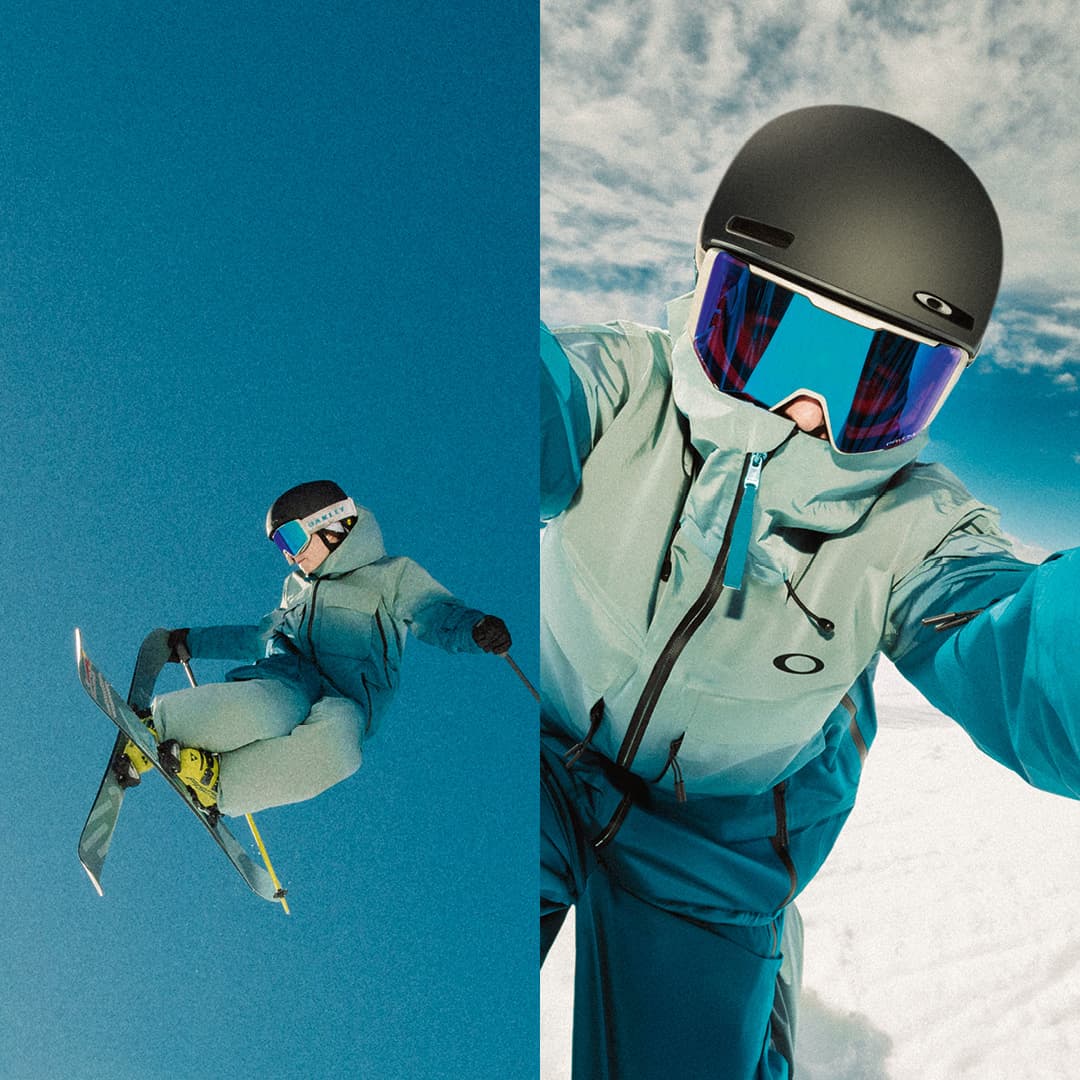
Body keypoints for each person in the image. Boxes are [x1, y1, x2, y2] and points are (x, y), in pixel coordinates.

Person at [539, 105, 1080, 1079]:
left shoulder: (908, 525)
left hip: (719, 835)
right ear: (705, 293)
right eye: (775, 339)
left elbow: (1018, 643)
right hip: (530, 746)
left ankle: (763, 1008)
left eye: (878, 383)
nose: (805, 416)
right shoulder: (625, 386)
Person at [119, 480, 512, 817]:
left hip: (347, 699)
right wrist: (191, 641)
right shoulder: (297, 591)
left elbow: (431, 610)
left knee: (341, 748)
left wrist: (474, 629)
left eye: (290, 538)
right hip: (290, 678)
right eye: (279, 546)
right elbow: (259, 638)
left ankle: (220, 782)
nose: (289, 554)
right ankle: (160, 727)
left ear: (332, 525)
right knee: (269, 706)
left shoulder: (389, 576)